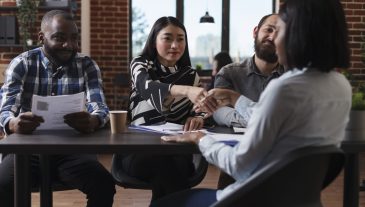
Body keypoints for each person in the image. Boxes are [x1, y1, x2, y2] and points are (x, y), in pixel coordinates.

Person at [151, 0, 351, 206]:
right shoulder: (340, 86)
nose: (274, 39)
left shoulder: (285, 89)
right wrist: (233, 97)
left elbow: (239, 166)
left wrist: (201, 139)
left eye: (280, 30)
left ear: (298, 35)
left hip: (253, 200)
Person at [0, 10, 116, 207]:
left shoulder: (87, 65)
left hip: (73, 150)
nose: (68, 45)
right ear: (41, 38)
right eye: (59, 38)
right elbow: (6, 108)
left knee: (103, 184)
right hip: (27, 150)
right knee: (3, 185)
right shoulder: (21, 64)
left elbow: (99, 106)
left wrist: (94, 120)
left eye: (73, 39)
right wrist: (13, 123)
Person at [114, 16, 215, 201]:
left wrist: (199, 117)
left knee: (169, 167)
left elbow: (202, 109)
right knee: (167, 168)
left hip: (177, 150)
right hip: (139, 151)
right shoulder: (141, 64)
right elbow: (148, 88)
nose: (175, 45)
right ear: (154, 41)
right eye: (167, 38)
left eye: (180, 39)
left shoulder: (191, 75)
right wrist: (186, 90)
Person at [213, 14, 285, 128]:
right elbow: (217, 112)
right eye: (269, 30)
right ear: (255, 32)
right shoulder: (228, 73)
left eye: (281, 34)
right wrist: (262, 121)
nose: (272, 37)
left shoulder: (293, 77)